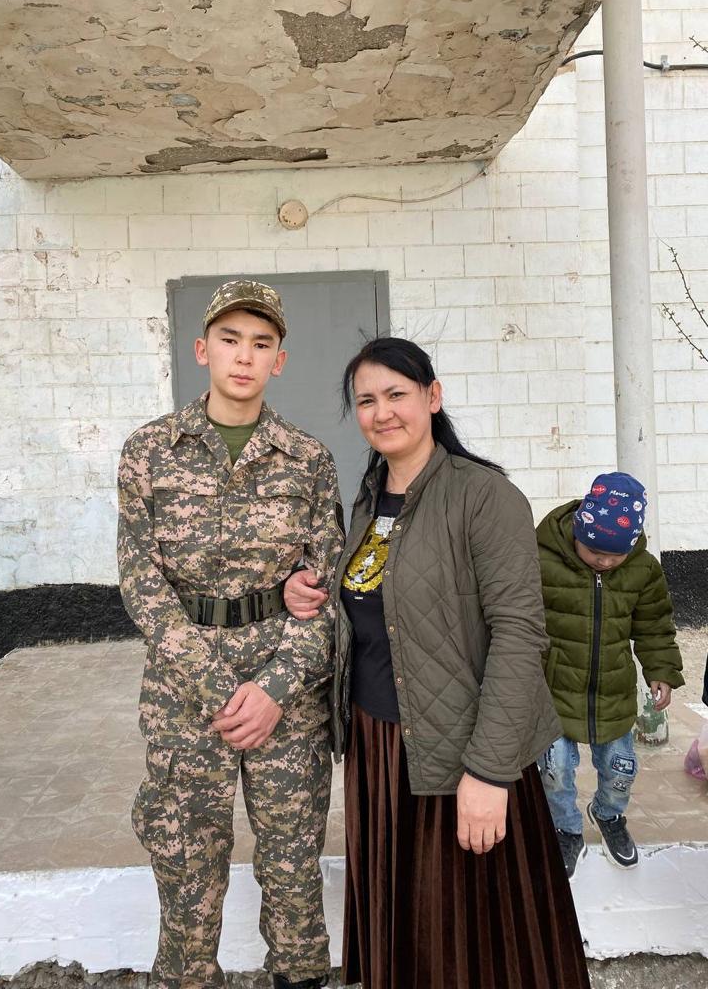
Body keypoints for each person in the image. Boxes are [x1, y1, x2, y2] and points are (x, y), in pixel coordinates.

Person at [285, 336, 589, 989]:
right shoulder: (370, 498)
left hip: (463, 751)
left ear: (432, 397)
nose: (381, 412)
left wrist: (489, 773)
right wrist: (312, 592)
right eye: (366, 400)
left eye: (396, 394)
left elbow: (519, 635)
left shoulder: (483, 495)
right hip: (379, 749)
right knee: (410, 937)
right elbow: (381, 604)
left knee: (471, 944)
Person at [117, 279, 344, 989]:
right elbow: (141, 583)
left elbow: (326, 593)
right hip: (185, 694)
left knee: (292, 863)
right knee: (186, 863)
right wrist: (218, 688)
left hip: (285, 693)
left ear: (279, 360)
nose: (244, 357)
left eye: (261, 343)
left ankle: (300, 977)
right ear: (201, 350)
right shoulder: (149, 451)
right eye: (230, 340)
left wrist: (274, 689)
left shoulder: (308, 459)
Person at [536, 473, 684, 877]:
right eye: (594, 551)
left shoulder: (643, 570)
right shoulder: (541, 560)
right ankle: (566, 828)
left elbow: (655, 625)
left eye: (614, 555)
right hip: (553, 690)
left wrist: (661, 671)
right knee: (554, 771)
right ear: (578, 531)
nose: (604, 561)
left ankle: (608, 814)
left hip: (613, 691)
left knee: (620, 769)